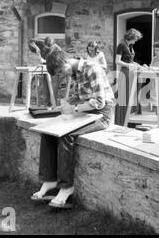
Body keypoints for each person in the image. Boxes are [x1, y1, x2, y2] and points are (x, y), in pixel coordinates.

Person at [31, 50, 114, 208]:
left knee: (65, 136)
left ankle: (66, 187)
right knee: (48, 133)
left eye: (62, 71)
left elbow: (99, 102)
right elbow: (79, 96)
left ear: (66, 62)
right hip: (86, 112)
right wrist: (67, 103)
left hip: (102, 115)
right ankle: (49, 181)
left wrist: (74, 109)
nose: (63, 75)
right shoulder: (75, 72)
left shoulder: (92, 69)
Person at [114, 28, 143, 126]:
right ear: (132, 37)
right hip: (125, 73)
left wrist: (138, 65)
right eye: (135, 39)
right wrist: (129, 65)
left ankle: (131, 121)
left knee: (132, 96)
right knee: (125, 97)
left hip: (132, 73)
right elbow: (117, 61)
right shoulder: (121, 45)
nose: (136, 41)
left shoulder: (130, 46)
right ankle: (122, 121)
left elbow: (129, 61)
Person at [28, 36, 63, 105]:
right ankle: (46, 105)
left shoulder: (57, 49)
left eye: (49, 47)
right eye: (46, 46)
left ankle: (54, 105)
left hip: (54, 71)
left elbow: (58, 62)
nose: (48, 48)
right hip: (45, 70)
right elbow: (31, 41)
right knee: (45, 89)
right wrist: (36, 47)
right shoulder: (41, 43)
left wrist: (46, 61)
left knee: (53, 89)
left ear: (53, 45)